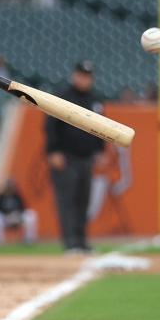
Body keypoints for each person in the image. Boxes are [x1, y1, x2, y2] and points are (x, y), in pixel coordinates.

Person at [45, 60, 106, 253]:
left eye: (88, 76)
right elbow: (51, 125)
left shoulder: (95, 99)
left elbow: (101, 126)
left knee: (83, 201)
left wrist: (100, 150)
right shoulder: (63, 96)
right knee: (67, 200)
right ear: (75, 75)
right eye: (81, 75)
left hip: (86, 158)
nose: (84, 79)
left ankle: (81, 241)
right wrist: (53, 151)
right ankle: (70, 243)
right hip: (66, 157)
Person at [0, 178, 37, 246]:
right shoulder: (0, 197)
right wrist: (6, 214)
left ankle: (30, 240)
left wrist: (17, 214)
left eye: (11, 186)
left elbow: (23, 208)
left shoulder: (17, 195)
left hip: (16, 217)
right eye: (8, 186)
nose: (9, 187)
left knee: (31, 214)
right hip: (5, 218)